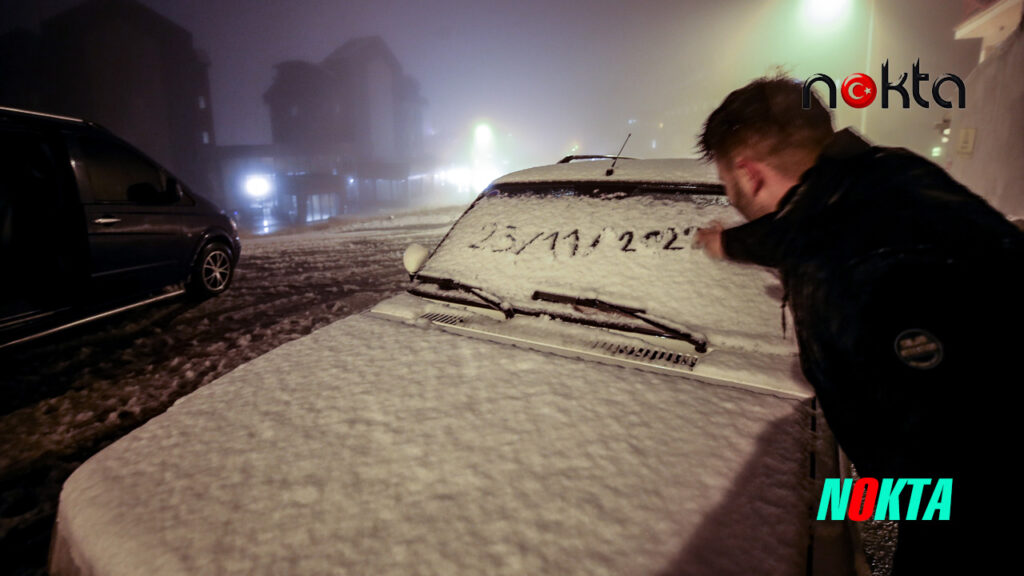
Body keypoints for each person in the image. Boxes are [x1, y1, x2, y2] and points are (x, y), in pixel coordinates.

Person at [693, 76, 1022, 574]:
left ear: (750, 173)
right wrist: (728, 244)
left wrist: (834, 505)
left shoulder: (868, 272)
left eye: (726, 182)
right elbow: (794, 229)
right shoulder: (881, 180)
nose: (730, 196)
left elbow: (950, 483)